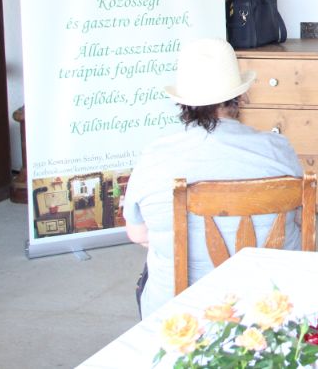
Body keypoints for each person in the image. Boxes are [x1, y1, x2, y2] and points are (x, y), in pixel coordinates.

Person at [123, 38, 303, 318]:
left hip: (180, 318)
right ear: (240, 96)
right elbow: (299, 219)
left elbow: (137, 234)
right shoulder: (278, 149)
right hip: (273, 310)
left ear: (182, 102)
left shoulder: (154, 157)